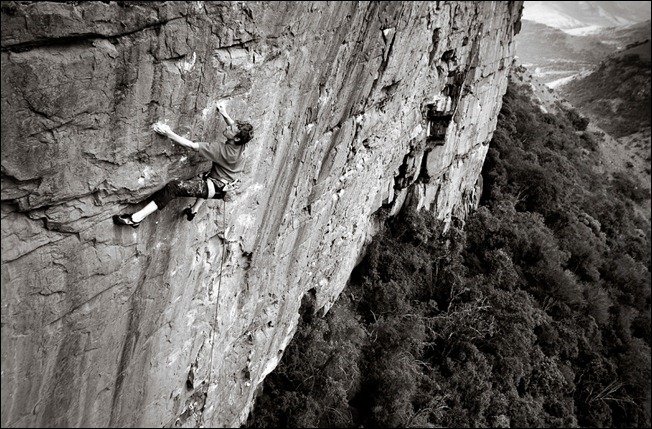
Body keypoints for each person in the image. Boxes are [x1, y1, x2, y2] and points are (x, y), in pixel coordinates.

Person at [113, 103, 253, 227]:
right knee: (205, 177)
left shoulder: (221, 151)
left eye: (231, 129)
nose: (228, 128)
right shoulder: (242, 143)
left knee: (173, 188)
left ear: (237, 138)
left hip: (216, 186)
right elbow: (234, 127)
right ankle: (194, 210)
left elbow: (191, 145)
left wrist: (168, 133)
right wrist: (225, 114)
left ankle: (135, 219)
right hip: (224, 183)